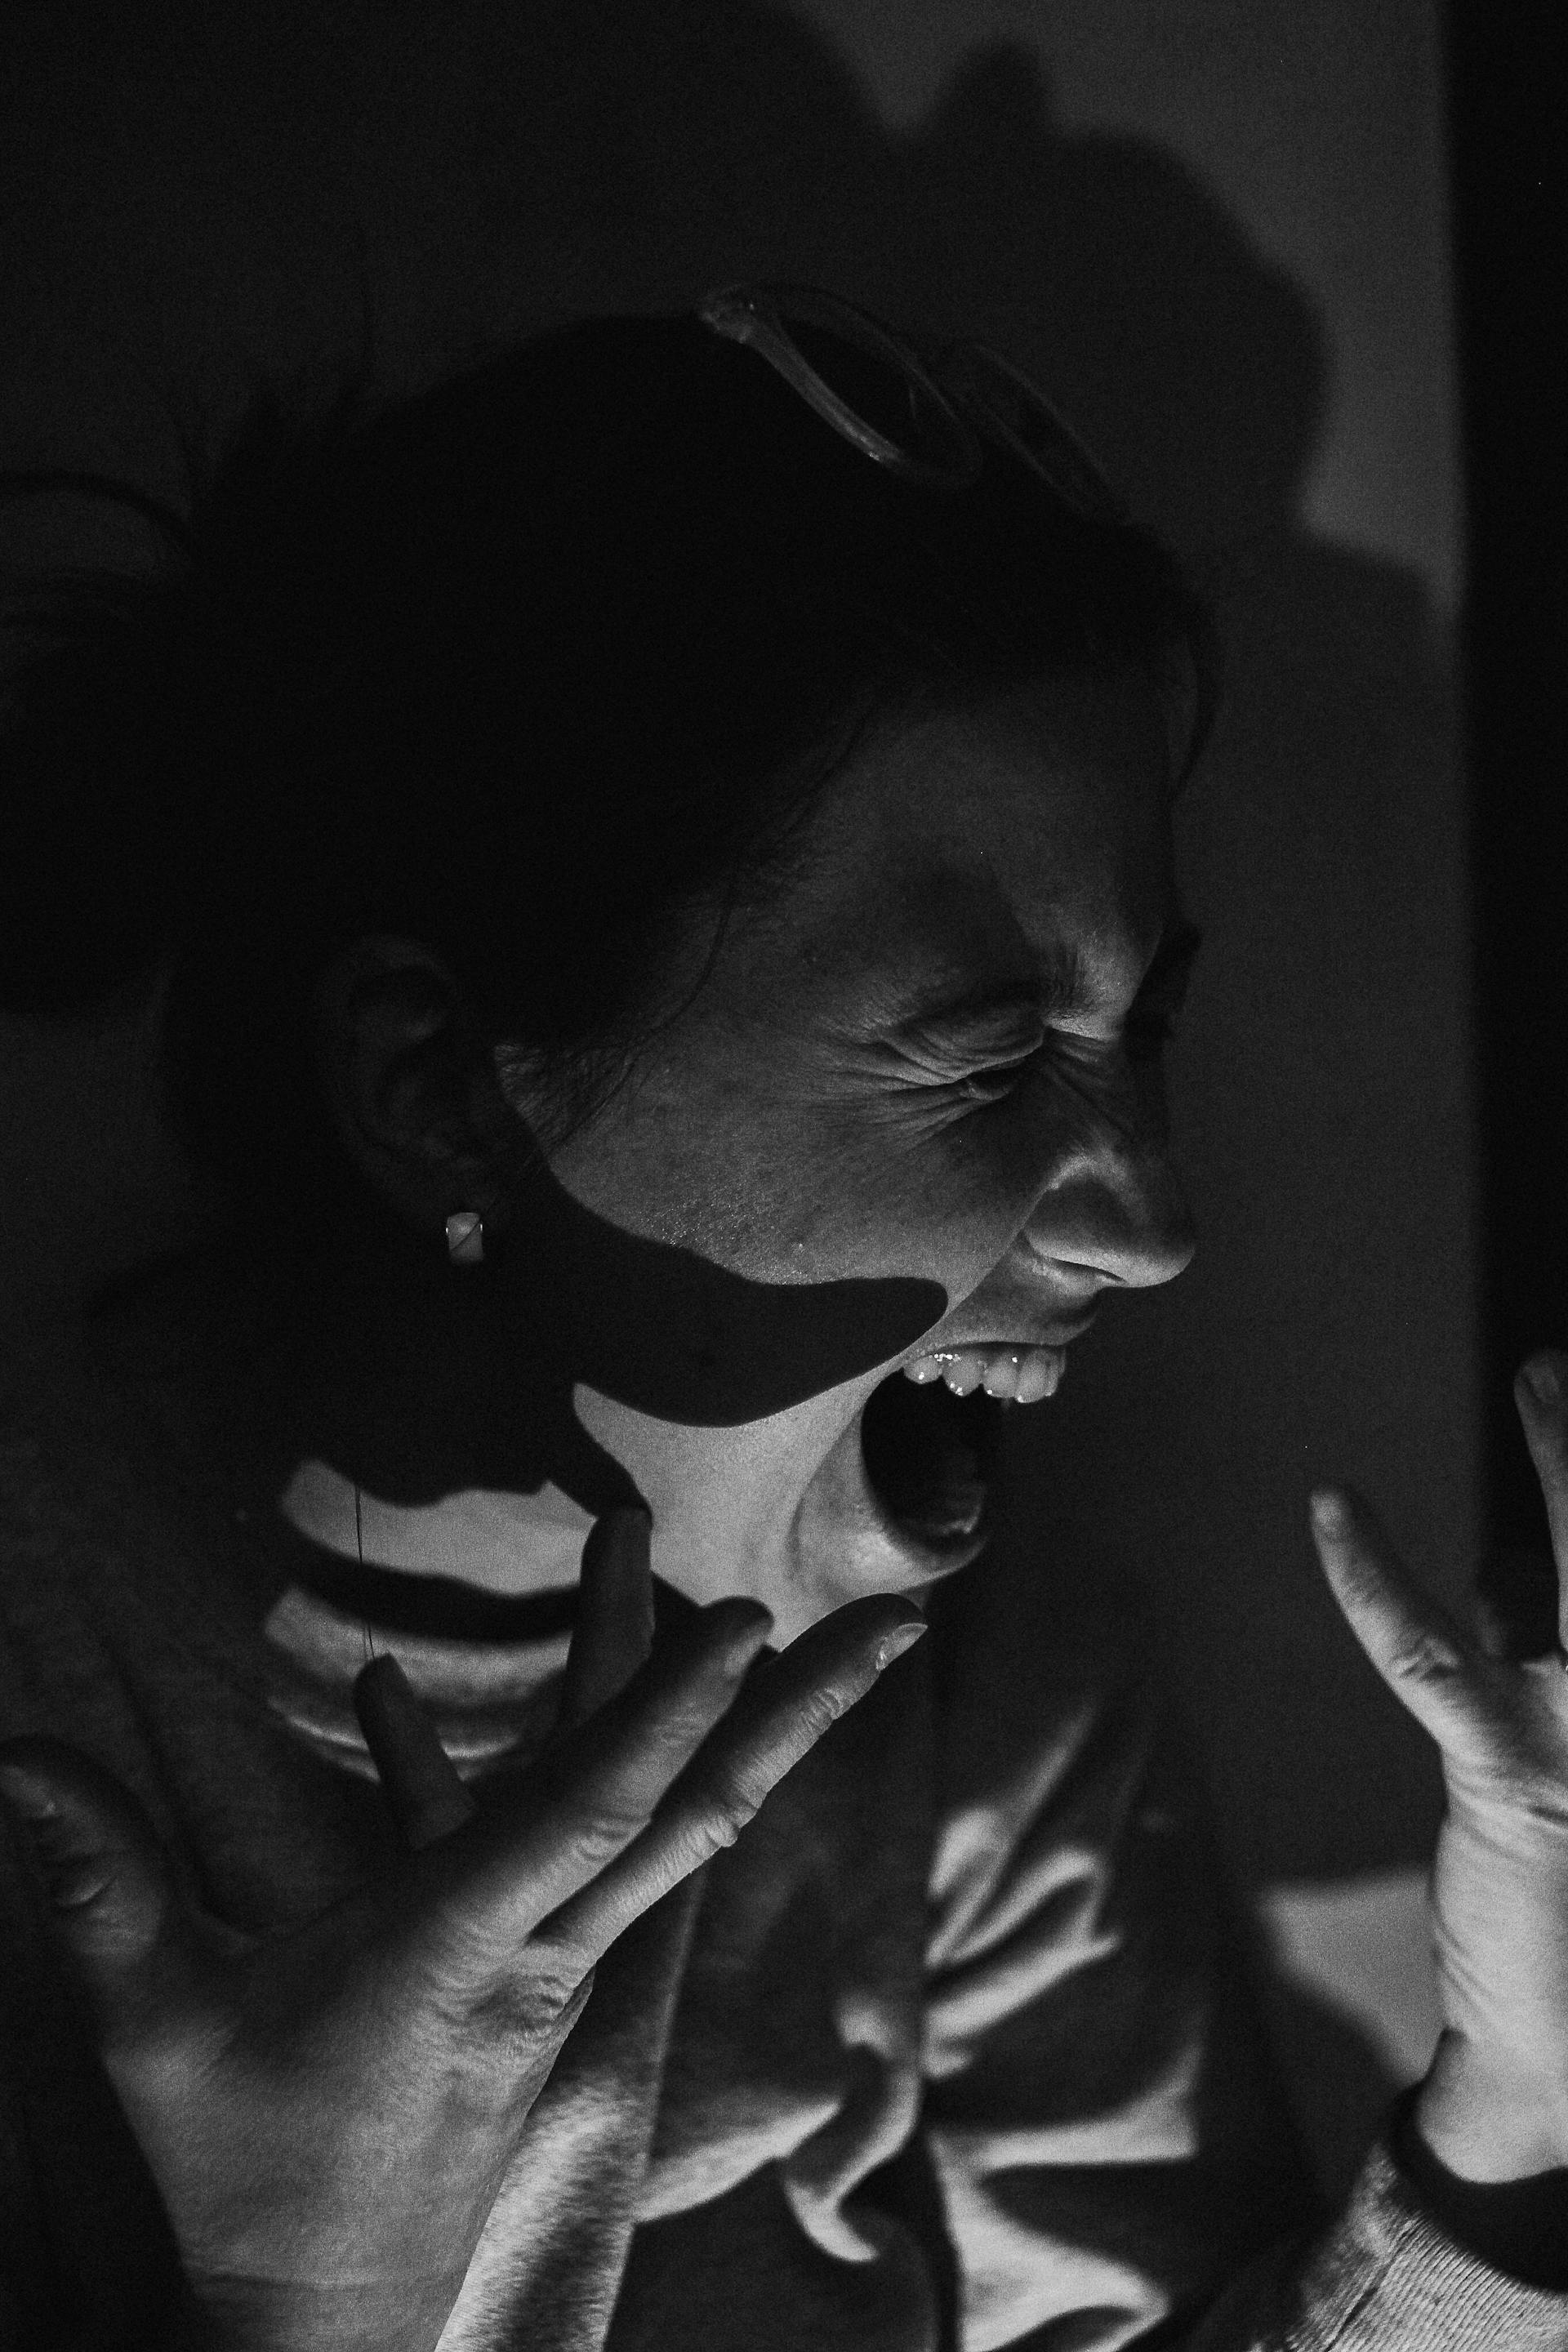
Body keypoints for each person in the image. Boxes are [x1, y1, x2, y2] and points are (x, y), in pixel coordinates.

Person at [0, 286, 1565, 2352]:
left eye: (1144, 1029)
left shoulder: (970, 1677)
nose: (1159, 1223)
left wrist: (1522, 2116)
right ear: (443, 1088)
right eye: (988, 1057)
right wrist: (298, 2309)